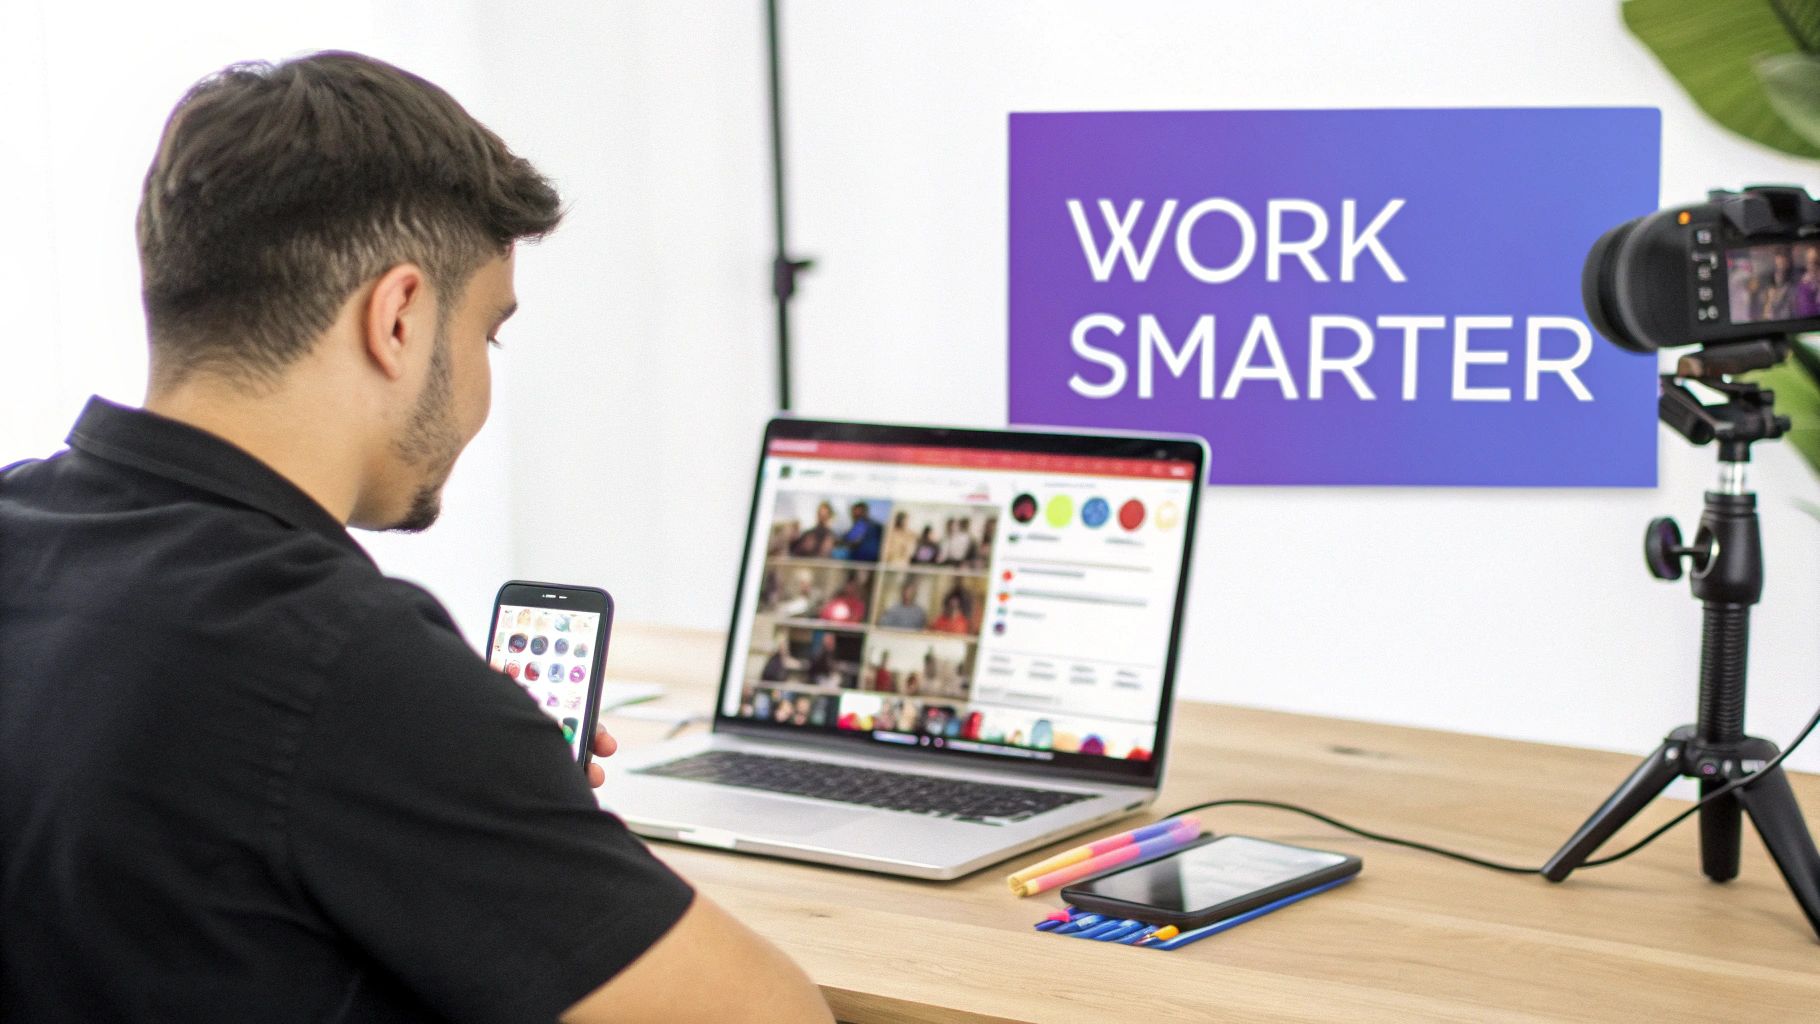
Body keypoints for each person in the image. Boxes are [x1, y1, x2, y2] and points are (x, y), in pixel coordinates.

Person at [0, 52, 829, 1023]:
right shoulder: (343, 661)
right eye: (489, 333)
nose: (483, 381)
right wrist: (519, 804)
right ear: (396, 317)